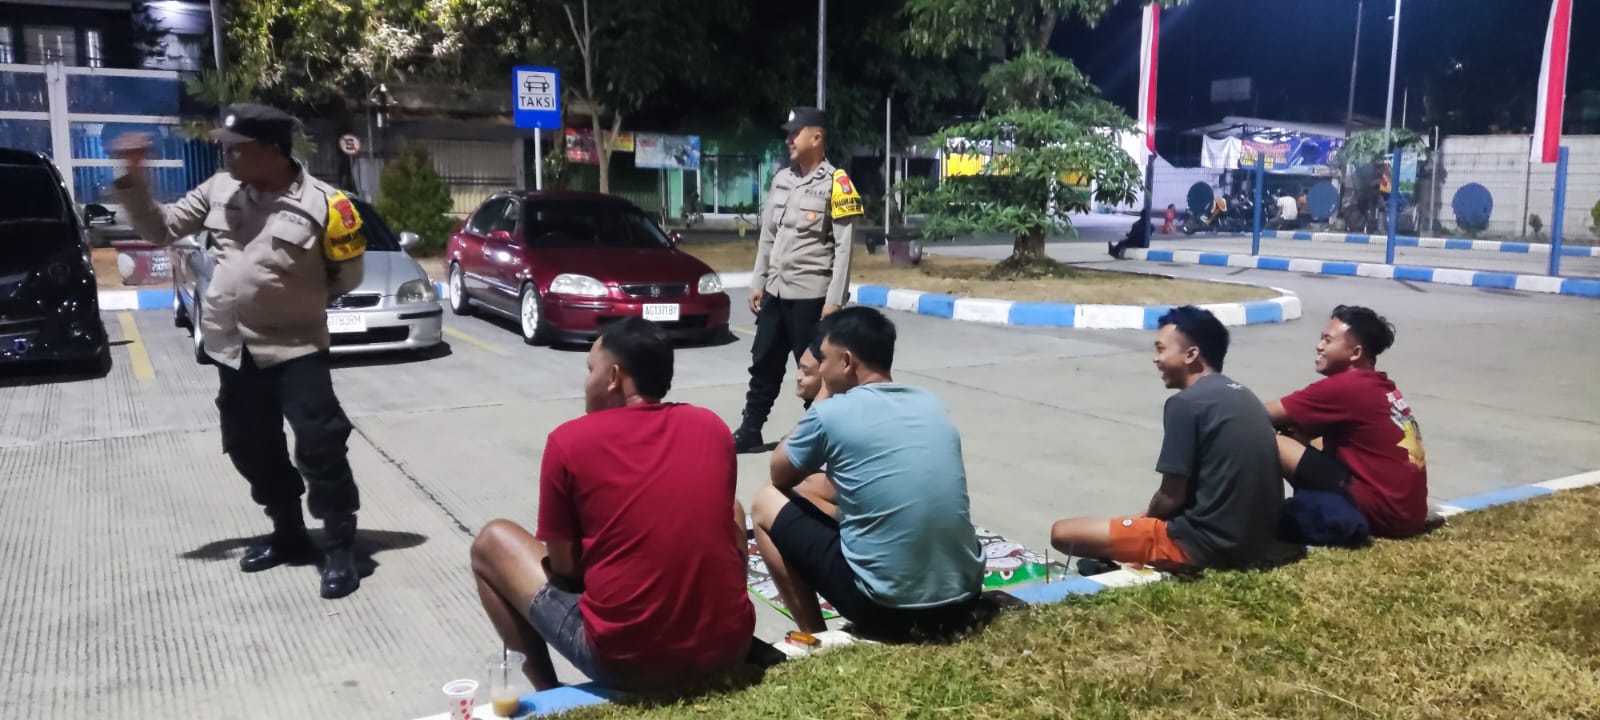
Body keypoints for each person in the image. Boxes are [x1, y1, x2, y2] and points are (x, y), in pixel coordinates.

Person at [112, 104, 367, 599]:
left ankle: (340, 547)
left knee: (320, 444)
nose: (225, 156)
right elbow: (161, 229)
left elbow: (347, 278)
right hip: (232, 347)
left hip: (296, 347)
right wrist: (135, 180)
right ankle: (287, 531)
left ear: (271, 151)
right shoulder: (218, 189)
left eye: (235, 148)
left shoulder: (325, 205)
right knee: (250, 445)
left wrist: (293, 301)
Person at [470, 318, 755, 693]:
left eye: (591, 369)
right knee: (731, 509)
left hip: (628, 662)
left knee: (491, 542)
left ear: (614, 377)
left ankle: (547, 691)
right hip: (730, 647)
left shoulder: (569, 441)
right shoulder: (711, 426)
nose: (586, 381)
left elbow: (565, 567)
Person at [749, 307, 984, 640]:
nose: (822, 369)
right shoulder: (930, 402)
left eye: (825, 360)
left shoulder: (831, 412)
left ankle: (816, 636)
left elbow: (780, 475)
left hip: (887, 608)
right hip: (964, 596)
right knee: (816, 486)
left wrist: (823, 395)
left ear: (846, 361)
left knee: (765, 501)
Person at [1051, 307, 1284, 573]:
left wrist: (1145, 520)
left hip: (1203, 546)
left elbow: (1171, 496)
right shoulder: (1244, 395)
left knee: (1064, 532)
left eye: (1161, 349)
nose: (1156, 359)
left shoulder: (1186, 403)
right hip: (1255, 540)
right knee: (1131, 522)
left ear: (1191, 354)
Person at [734, 106, 864, 453]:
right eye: (789, 134)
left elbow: (844, 248)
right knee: (763, 362)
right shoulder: (782, 179)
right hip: (776, 291)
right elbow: (768, 236)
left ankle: (825, 437)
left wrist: (834, 300)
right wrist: (758, 281)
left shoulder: (837, 183)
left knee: (814, 369)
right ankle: (750, 429)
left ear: (817, 137)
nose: (789, 140)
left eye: (796, 133)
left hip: (811, 295)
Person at [1268, 305, 1429, 545]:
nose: (1319, 346)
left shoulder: (1347, 386)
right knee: (1301, 433)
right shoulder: (1377, 384)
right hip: (1408, 514)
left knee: (1272, 440)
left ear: (1355, 353)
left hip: (1384, 514)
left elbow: (1258, 414)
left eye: (1328, 340)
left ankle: (1262, 511)